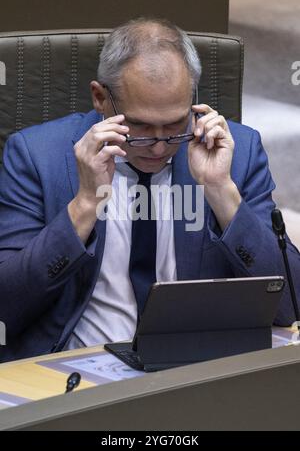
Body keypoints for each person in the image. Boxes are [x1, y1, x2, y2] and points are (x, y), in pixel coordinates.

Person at [0, 18, 299, 362]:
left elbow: (290, 307)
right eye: (139, 126)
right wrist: (83, 205)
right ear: (100, 97)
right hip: (78, 371)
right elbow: (8, 307)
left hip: (195, 370)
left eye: (174, 124)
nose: (158, 147)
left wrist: (222, 193)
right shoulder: (38, 156)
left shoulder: (239, 152)